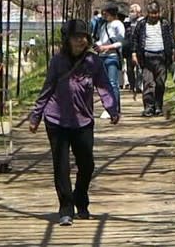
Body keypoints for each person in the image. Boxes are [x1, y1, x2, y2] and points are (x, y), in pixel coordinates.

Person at [27, 17, 120, 226]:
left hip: (83, 120)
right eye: (75, 37)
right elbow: (47, 89)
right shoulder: (57, 61)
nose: (80, 41)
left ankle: (81, 198)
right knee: (61, 166)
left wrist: (112, 108)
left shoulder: (93, 62)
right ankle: (66, 208)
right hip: (56, 119)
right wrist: (36, 116)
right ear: (67, 40)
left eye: (83, 37)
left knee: (87, 164)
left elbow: (104, 86)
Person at [132, 6, 175, 116]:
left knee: (160, 83)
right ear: (148, 13)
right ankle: (148, 107)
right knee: (148, 83)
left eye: (156, 13)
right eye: (152, 13)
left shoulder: (164, 23)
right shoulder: (142, 24)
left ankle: (158, 106)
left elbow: (171, 38)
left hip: (161, 56)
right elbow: (135, 40)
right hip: (146, 57)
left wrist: (174, 51)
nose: (154, 15)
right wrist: (134, 54)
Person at [94, 2, 126, 102]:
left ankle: (114, 106)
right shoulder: (104, 26)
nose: (104, 15)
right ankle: (109, 105)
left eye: (106, 13)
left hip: (112, 56)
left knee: (113, 83)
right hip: (102, 56)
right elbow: (102, 40)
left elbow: (121, 42)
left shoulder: (118, 24)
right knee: (105, 84)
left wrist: (106, 47)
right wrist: (97, 45)